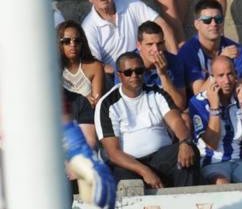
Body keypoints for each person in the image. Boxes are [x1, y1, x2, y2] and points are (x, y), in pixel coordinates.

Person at [95, 51, 202, 187]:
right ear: (119, 75)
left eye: (139, 71)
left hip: (160, 157)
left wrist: (185, 142)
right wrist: (144, 171)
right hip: (129, 164)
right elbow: (113, 153)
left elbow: (176, 122)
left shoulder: (157, 92)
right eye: (128, 72)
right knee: (125, 179)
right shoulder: (106, 104)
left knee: (189, 151)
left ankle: (185, 203)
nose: (134, 76)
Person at [187, 54, 242, 184]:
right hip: (212, 162)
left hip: (240, 161)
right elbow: (211, 143)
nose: (227, 80)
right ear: (212, 78)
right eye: (221, 76)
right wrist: (214, 107)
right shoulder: (198, 102)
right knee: (222, 185)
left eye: (230, 74)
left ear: (236, 75)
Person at [81, 0, 174, 73]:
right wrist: (123, 74)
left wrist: (176, 59)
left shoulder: (130, 2)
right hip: (113, 76)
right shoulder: (88, 26)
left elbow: (161, 25)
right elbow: (95, 64)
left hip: (144, 68)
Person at [174, 0, 242, 95]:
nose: (214, 24)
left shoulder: (236, 49)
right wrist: (222, 60)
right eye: (207, 20)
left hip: (232, 104)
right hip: (201, 108)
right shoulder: (188, 52)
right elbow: (199, 93)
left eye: (218, 19)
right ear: (197, 24)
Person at [58, 21, 105, 145]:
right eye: (67, 41)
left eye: (77, 41)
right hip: (63, 119)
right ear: (59, 43)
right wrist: (83, 98)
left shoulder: (94, 66)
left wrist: (86, 101)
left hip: (88, 118)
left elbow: (96, 102)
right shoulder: (53, 67)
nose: (72, 45)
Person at [134, 22, 184, 110]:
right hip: (139, 113)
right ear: (139, 45)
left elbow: (179, 106)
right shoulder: (126, 64)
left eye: (159, 44)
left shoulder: (175, 62)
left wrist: (163, 75)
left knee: (185, 118)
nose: (156, 49)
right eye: (150, 44)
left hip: (167, 113)